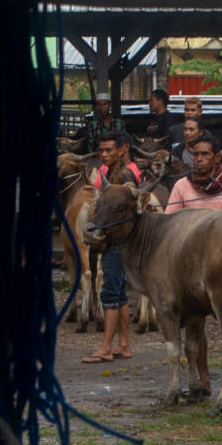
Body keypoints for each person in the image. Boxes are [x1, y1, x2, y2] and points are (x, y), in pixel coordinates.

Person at [165, 131, 222, 398]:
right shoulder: (182, 186)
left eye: (205, 154)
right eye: (195, 154)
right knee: (196, 325)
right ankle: (203, 381)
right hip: (191, 266)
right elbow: (169, 222)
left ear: (217, 158)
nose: (199, 159)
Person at [82, 131, 141, 364]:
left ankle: (106, 347)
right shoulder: (109, 173)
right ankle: (124, 344)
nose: (105, 155)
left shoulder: (125, 176)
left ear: (121, 150)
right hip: (115, 240)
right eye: (102, 151)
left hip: (116, 241)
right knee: (120, 294)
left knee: (109, 293)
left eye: (109, 150)